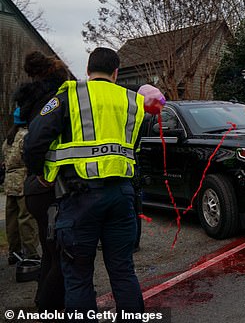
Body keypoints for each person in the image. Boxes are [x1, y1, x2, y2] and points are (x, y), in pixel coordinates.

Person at [24, 47, 147, 318]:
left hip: (79, 197)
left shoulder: (70, 94)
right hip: (121, 196)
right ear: (116, 72)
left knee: (78, 275)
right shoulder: (132, 100)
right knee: (123, 270)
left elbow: (34, 141)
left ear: (88, 71)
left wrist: (41, 176)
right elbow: (134, 146)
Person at [15, 50, 70, 312]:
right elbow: (35, 144)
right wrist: (41, 175)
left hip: (35, 188)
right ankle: (50, 306)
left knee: (50, 250)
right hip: (48, 186)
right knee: (60, 251)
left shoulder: (30, 101)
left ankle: (44, 301)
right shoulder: (56, 100)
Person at [2, 108, 40, 265]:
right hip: (23, 180)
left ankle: (14, 251)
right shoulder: (26, 136)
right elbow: (29, 157)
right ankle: (31, 253)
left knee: (11, 219)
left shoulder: (9, 138)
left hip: (9, 182)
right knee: (26, 218)